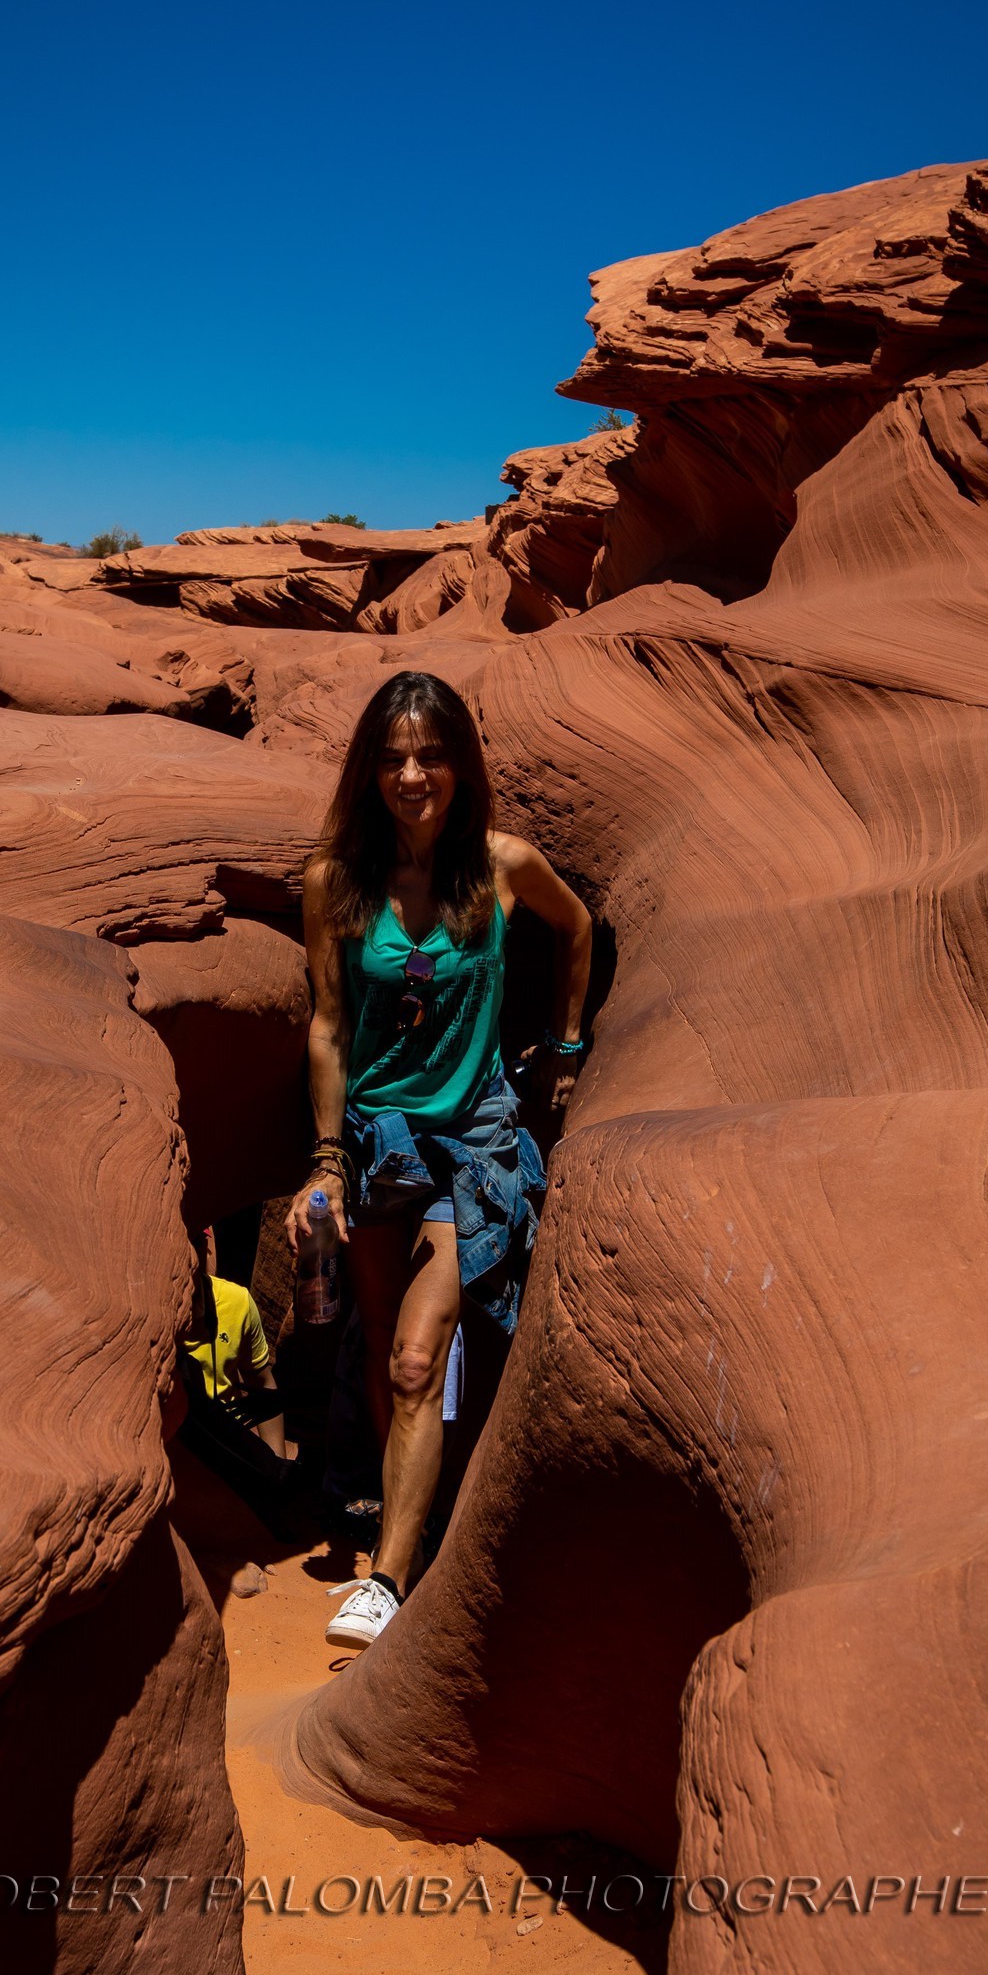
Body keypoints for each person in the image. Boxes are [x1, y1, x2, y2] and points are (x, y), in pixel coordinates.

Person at [285, 670, 592, 1647]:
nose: (411, 774)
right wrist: (327, 1159)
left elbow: (575, 927)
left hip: (472, 1144)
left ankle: (385, 1581)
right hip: (378, 1145)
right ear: (368, 769)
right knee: (381, 1344)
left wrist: (566, 1047)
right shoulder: (337, 880)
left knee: (419, 1356)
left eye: (429, 753)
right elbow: (330, 1026)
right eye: (392, 757)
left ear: (459, 762)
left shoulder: (503, 865)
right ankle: (407, 1519)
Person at [182, 1227, 295, 1463]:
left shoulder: (236, 1302)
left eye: (198, 1242)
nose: (192, 1256)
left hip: (225, 1444)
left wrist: (275, 1465)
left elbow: (262, 1381)